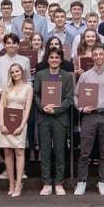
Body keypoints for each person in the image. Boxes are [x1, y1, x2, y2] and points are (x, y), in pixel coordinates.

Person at [73, 45, 104, 196]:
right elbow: (76, 96)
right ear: (92, 57)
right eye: (96, 55)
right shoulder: (85, 76)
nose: (99, 57)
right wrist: (81, 109)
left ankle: (103, 182)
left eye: (101, 54)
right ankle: (81, 182)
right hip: (89, 116)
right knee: (84, 151)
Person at [33, 47, 74, 196]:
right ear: (47, 59)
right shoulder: (40, 75)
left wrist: (56, 110)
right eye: (52, 57)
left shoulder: (67, 77)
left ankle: (59, 182)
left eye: (57, 57)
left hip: (59, 118)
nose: (54, 60)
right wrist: (43, 107)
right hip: (44, 117)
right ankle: (46, 183)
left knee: (59, 151)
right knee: (44, 151)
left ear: (61, 60)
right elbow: (36, 95)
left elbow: (69, 98)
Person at [0, 63, 32, 197]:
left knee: (19, 151)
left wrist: (22, 125)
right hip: (6, 122)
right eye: (12, 72)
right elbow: (1, 106)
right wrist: (1, 123)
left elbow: (27, 109)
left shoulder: (28, 88)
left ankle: (19, 184)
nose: (15, 74)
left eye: (17, 71)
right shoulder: (7, 88)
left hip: (20, 122)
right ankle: (11, 184)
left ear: (22, 72)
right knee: (7, 152)